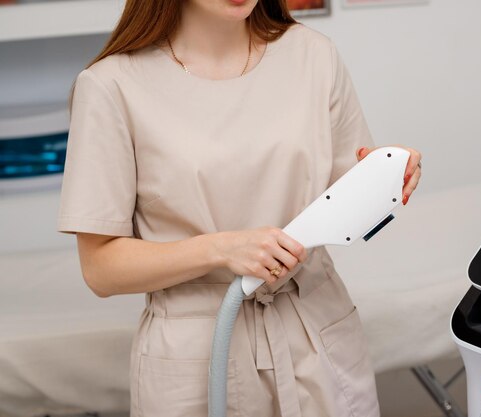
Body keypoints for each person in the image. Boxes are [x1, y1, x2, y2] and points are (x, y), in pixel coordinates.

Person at [57, 0, 422, 415]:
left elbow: (345, 209)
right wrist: (221, 250)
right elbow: (101, 269)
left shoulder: (314, 56)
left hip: (317, 336)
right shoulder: (111, 85)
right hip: (196, 356)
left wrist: (386, 177)